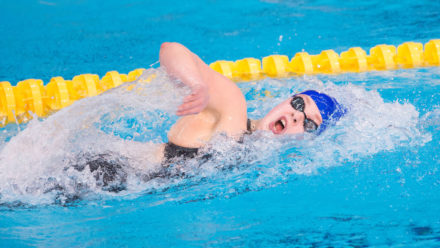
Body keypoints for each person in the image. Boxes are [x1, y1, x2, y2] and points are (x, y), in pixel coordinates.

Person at [159, 42, 346, 162]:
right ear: (287, 100)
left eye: (309, 124)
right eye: (299, 104)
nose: (296, 116)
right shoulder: (232, 109)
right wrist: (197, 84)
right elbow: (171, 49)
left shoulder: (267, 161)